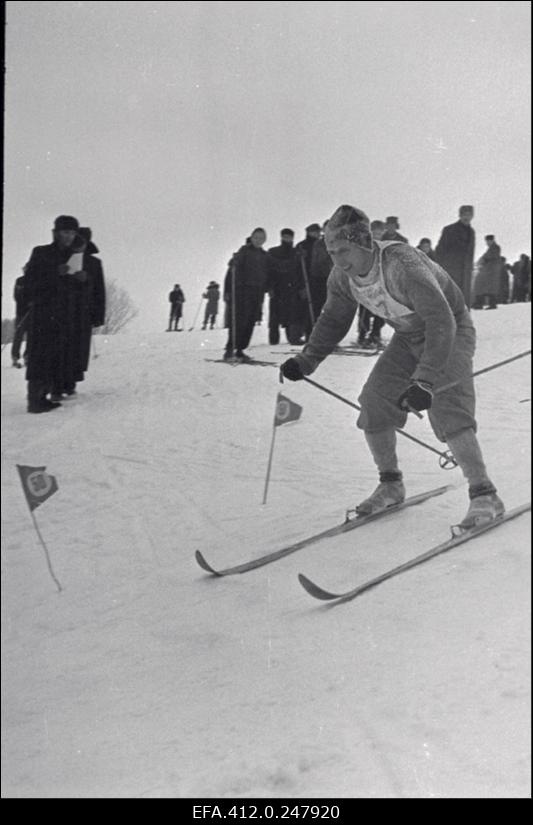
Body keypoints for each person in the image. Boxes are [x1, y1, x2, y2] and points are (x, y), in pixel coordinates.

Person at [280, 204, 504, 529]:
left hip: (449, 330)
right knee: (375, 400)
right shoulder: (342, 277)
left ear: (364, 244)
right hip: (409, 336)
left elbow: (441, 321)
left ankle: (484, 493)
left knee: (445, 404)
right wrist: (306, 360)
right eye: (331, 252)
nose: (338, 260)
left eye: (344, 250)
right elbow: (333, 319)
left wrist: (425, 381)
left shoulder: (403, 265)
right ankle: (391, 484)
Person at [24, 215, 81, 413]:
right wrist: (55, 272)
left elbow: (72, 288)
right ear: (56, 233)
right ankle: (35, 399)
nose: (69, 237)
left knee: (56, 354)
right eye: (66, 232)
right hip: (43, 314)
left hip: (64, 314)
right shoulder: (41, 253)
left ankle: (46, 394)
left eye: (73, 233)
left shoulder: (73, 256)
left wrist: (81, 279)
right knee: (40, 355)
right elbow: (30, 282)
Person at [224, 227, 270, 361]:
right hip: (242, 291)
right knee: (239, 320)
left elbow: (269, 273)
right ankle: (230, 349)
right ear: (252, 237)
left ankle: (240, 349)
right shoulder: (244, 251)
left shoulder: (264, 256)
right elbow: (232, 272)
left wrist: (268, 287)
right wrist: (228, 290)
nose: (258, 240)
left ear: (264, 240)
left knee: (250, 321)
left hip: (257, 292)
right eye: (256, 238)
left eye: (261, 238)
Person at [435, 205, 475, 307]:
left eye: (469, 214)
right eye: (464, 214)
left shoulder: (472, 232)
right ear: (460, 215)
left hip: (465, 273)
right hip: (450, 271)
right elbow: (440, 251)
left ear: (472, 216)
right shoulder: (449, 230)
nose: (467, 217)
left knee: (463, 300)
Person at [267, 228, 301, 345]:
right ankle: (273, 340)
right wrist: (269, 287)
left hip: (292, 287)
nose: (288, 239)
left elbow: (300, 271)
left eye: (289, 237)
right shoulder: (273, 252)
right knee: (275, 315)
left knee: (291, 312)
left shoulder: (296, 252)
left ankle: (292, 338)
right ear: (281, 237)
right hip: (277, 287)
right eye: (285, 236)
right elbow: (269, 271)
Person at [357, 220, 386, 348]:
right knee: (365, 310)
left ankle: (375, 334)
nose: (378, 234)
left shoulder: (385, 245)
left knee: (381, 308)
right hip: (366, 281)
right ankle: (363, 335)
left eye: (380, 232)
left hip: (381, 281)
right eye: (375, 231)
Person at [295, 223, 322, 338]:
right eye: (314, 232)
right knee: (307, 307)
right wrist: (300, 285)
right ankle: (308, 333)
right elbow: (296, 266)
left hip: (318, 279)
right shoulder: (302, 245)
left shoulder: (321, 244)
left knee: (318, 307)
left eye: (317, 231)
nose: (316, 234)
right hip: (306, 279)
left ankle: (317, 333)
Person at [471, 235, 502, 309]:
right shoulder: (492, 248)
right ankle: (484, 303)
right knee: (485, 287)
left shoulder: (495, 248)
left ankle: (481, 303)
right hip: (489, 271)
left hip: (490, 272)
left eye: (487, 241)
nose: (487, 243)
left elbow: (488, 257)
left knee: (481, 286)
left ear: (491, 240)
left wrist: (482, 260)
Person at [11, 266, 30, 367]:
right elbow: (16, 296)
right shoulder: (19, 281)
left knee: (31, 336)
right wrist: (27, 302)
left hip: (32, 314)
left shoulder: (35, 280)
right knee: (18, 335)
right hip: (21, 313)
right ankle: (15, 357)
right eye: (26, 269)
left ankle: (28, 357)